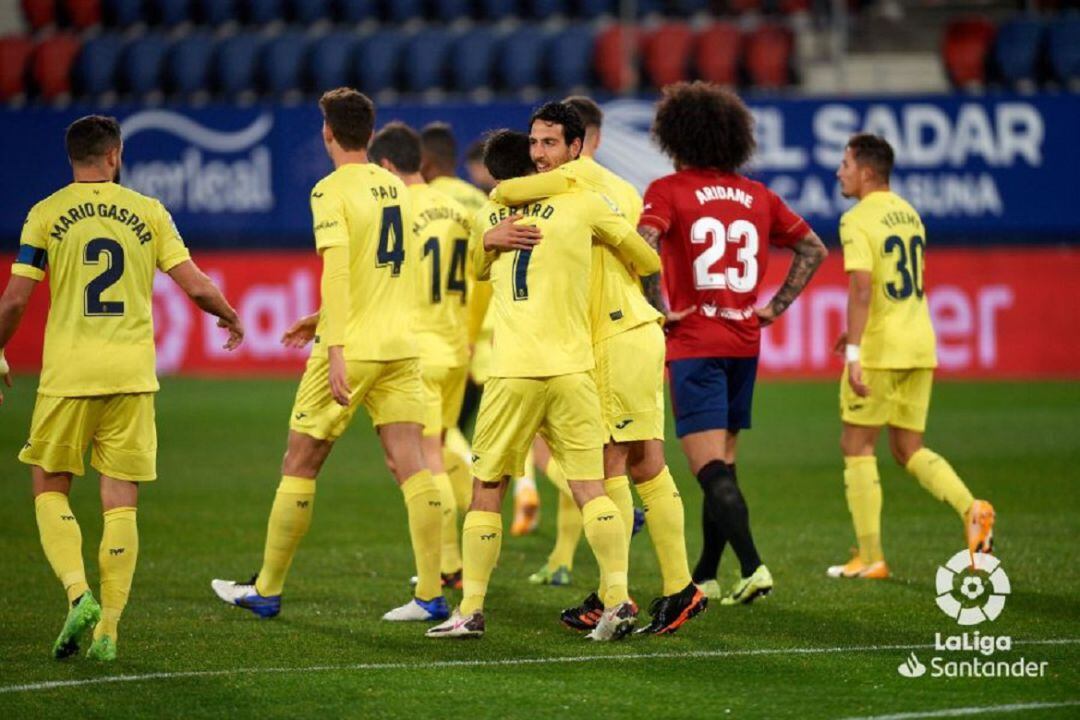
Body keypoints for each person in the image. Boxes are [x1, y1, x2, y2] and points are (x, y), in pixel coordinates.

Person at [0, 115, 244, 661]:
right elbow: (195, 285)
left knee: (49, 487)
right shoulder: (149, 212)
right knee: (121, 502)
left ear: (74, 158)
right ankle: (108, 628)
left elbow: (15, 299)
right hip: (131, 378)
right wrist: (229, 315)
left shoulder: (45, 214)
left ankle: (77, 592)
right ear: (115, 155)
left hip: (67, 375)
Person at [211, 88, 447, 623]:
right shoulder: (396, 185)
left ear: (327, 133)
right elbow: (390, 271)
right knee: (411, 466)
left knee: (300, 462)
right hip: (401, 345)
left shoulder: (329, 191)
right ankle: (431, 593)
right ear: (370, 132)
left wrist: (333, 344)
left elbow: (339, 273)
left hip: (354, 345)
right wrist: (320, 318)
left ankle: (266, 590)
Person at [426, 129, 660, 640]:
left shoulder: (492, 215)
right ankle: (618, 599)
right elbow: (651, 260)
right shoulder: (583, 205)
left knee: (488, 487)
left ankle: (470, 610)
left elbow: (474, 270)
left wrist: (490, 240)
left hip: (512, 371)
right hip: (574, 369)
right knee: (589, 486)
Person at [490, 99, 706, 635]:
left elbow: (502, 190)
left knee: (606, 467)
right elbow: (641, 255)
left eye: (547, 144)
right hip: (636, 329)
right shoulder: (623, 187)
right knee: (647, 463)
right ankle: (676, 589)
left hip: (609, 334)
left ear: (575, 145)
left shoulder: (563, 187)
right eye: (533, 144)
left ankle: (617, 597)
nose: (537, 156)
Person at [639, 82, 827, 604]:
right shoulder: (757, 195)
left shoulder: (668, 190)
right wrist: (775, 306)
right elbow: (812, 247)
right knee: (722, 464)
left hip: (695, 341)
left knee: (708, 469)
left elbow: (645, 243)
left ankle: (753, 566)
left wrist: (656, 307)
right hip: (743, 341)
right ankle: (706, 573)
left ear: (676, 135)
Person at [827, 133, 995, 579]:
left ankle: (871, 557)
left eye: (844, 163)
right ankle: (971, 508)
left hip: (881, 351)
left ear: (865, 171)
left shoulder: (857, 218)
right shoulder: (910, 214)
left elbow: (863, 286)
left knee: (856, 445)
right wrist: (854, 332)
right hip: (920, 343)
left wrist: (856, 353)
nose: (839, 171)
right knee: (907, 449)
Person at [368, 121, 473, 592]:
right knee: (441, 449)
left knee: (423, 461)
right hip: (455, 347)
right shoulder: (456, 209)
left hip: (416, 352)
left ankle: (448, 565)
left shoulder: (394, 211)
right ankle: (452, 560)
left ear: (388, 166)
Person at [420, 122, 538, 534]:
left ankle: (452, 559)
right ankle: (528, 486)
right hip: (516, 332)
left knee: (443, 437)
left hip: (453, 336)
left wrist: (468, 336)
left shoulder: (424, 202)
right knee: (535, 438)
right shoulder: (481, 203)